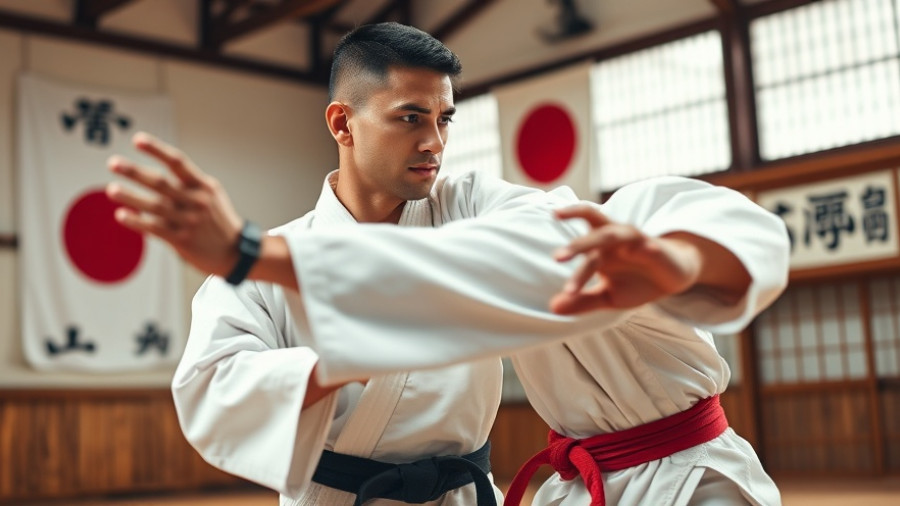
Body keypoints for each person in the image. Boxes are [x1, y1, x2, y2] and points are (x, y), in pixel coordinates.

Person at [105, 22, 788, 506]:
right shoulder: (266, 266)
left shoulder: (471, 208)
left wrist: (678, 258)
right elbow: (212, 386)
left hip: (467, 494)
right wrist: (327, 364)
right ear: (342, 124)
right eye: (410, 118)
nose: (434, 142)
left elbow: (525, 250)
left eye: (445, 119)